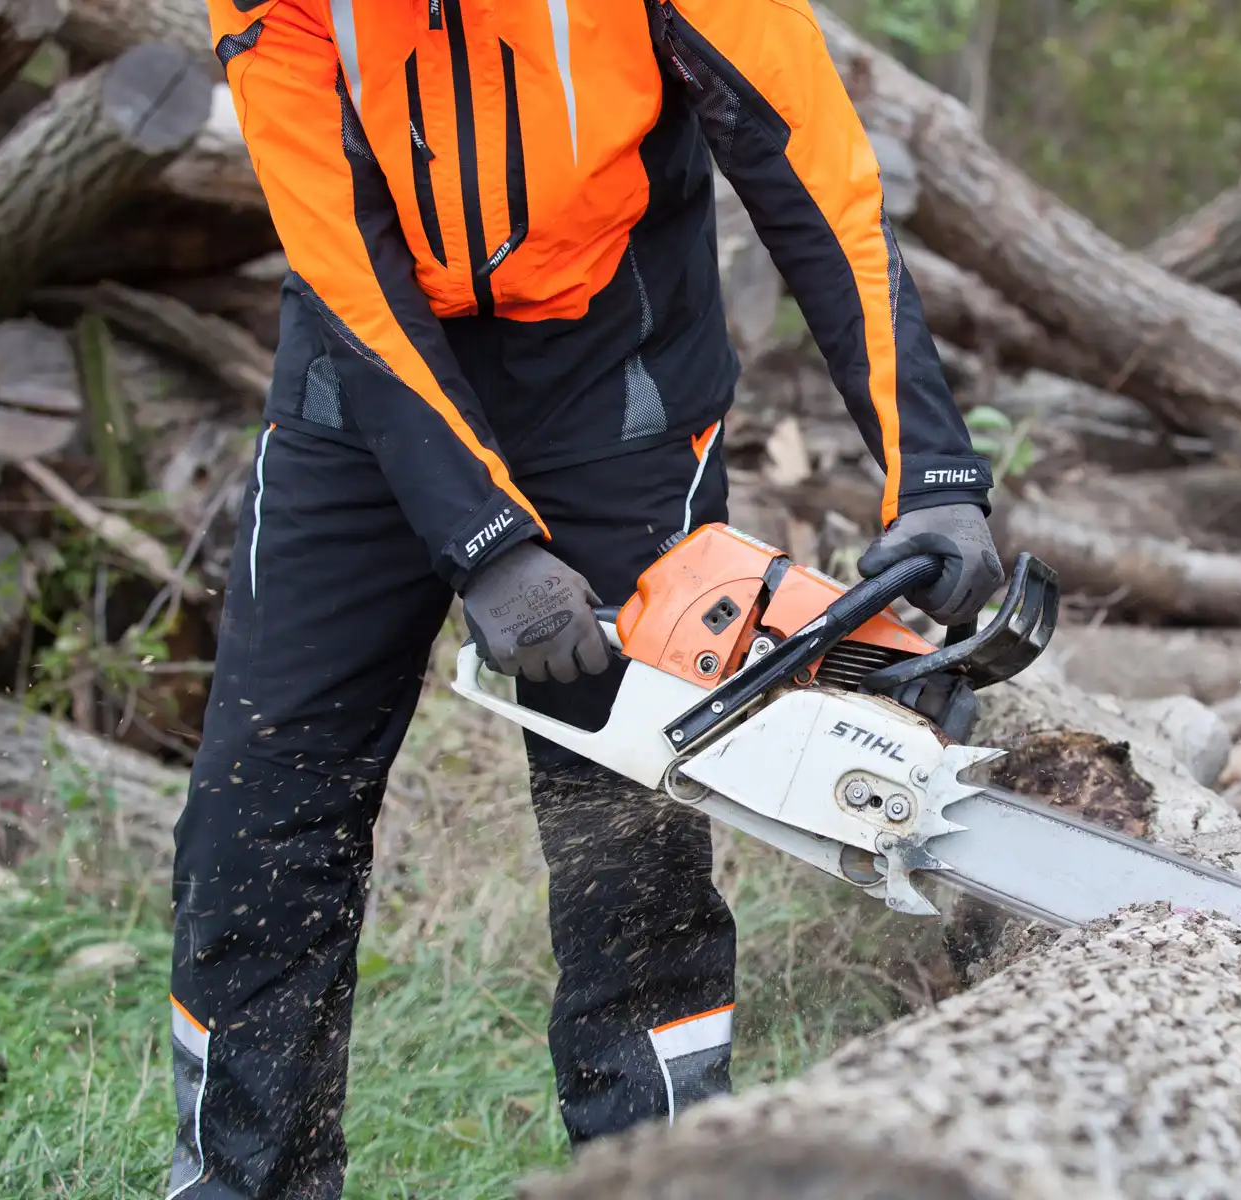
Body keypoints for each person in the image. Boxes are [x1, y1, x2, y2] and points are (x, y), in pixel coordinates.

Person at [168, 0, 1002, 1195]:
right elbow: (340, 250)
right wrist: (487, 540)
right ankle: (243, 1178)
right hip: (366, 381)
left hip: (619, 384)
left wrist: (930, 465)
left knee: (632, 841)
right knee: (260, 806)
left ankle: (657, 1173)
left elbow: (806, 162)